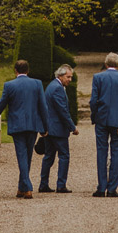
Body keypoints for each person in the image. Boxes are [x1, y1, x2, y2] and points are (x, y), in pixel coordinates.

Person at [0, 59, 49, 199]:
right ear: (28, 70)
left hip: (17, 125)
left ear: (15, 71)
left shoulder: (9, 85)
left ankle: (27, 187)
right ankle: (23, 187)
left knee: (22, 156)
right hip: (33, 125)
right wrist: (45, 127)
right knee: (27, 157)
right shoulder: (37, 84)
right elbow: (43, 107)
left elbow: (0, 105)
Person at [88, 52, 118, 197]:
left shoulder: (98, 77)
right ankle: (112, 188)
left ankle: (101, 187)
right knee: (117, 152)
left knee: (101, 153)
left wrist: (94, 116)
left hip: (102, 120)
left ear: (106, 64)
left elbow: (93, 101)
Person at [39, 64, 78, 194]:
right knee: (64, 156)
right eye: (68, 77)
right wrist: (72, 127)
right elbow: (62, 111)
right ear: (60, 76)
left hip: (50, 128)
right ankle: (61, 185)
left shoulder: (53, 86)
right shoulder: (57, 88)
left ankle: (43, 184)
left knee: (49, 156)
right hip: (57, 129)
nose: (70, 79)